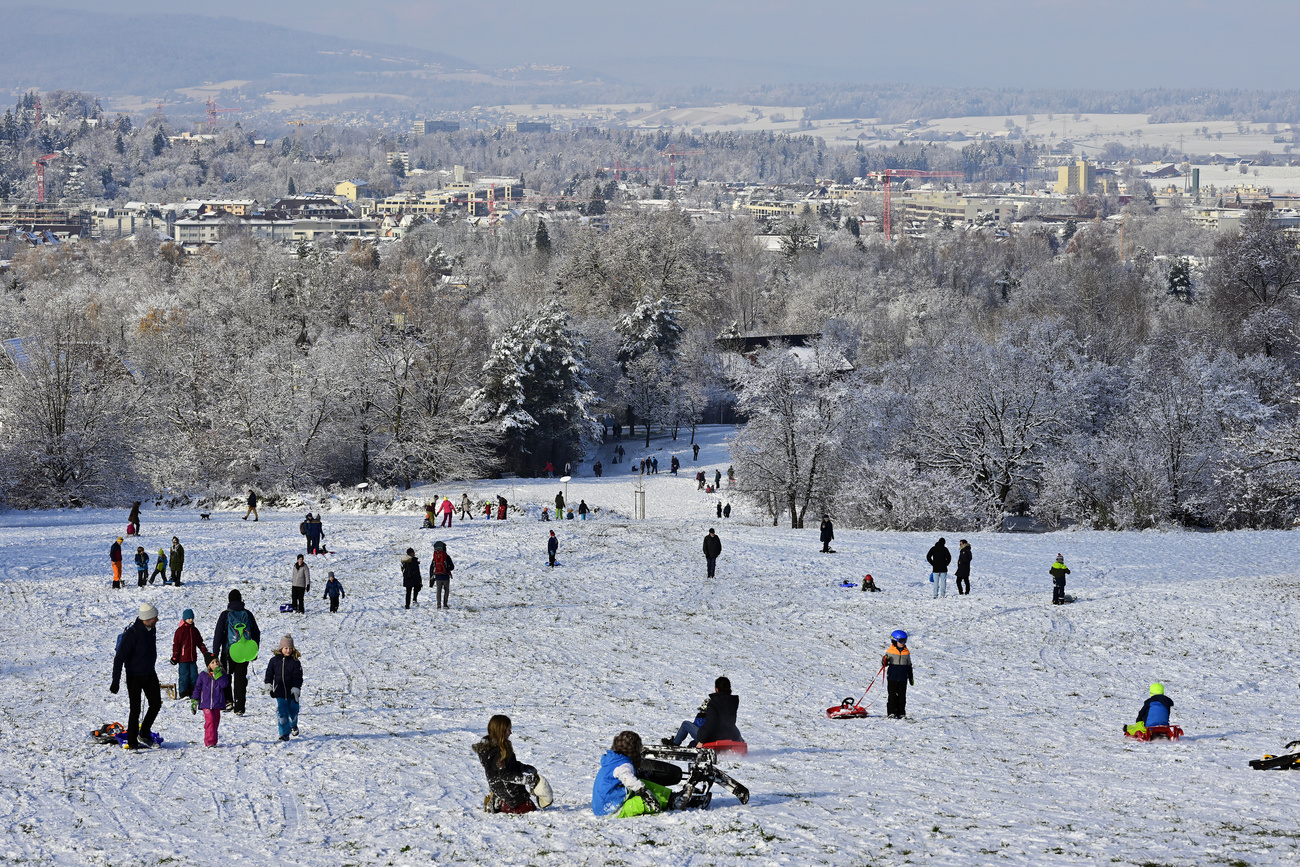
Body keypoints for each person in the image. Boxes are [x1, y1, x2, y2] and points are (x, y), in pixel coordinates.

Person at [111, 602, 162, 750]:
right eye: (154, 617)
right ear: (147, 619)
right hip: (134, 676)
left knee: (156, 704)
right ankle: (132, 743)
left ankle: (144, 733)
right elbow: (119, 657)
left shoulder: (151, 629)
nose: (157, 620)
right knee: (135, 709)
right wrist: (116, 680)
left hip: (149, 673)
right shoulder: (132, 634)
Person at [474, 714, 542, 814]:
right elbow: (505, 775)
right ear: (500, 731)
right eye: (508, 729)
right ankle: (501, 803)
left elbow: (509, 765)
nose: (510, 732)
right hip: (511, 795)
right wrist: (528, 780)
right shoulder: (497, 753)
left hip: (504, 790)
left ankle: (498, 800)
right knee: (530, 810)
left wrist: (524, 767)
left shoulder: (499, 748)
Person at [592, 730, 670, 817]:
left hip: (605, 802)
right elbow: (627, 778)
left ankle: (671, 798)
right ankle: (669, 801)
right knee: (651, 802)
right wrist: (642, 790)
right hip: (610, 810)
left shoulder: (614, 760)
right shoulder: (623, 765)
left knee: (642, 783)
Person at [213, 589, 261, 715]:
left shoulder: (225, 614)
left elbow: (218, 634)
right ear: (240, 599)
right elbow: (256, 632)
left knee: (226, 677)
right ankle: (239, 707)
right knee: (240, 679)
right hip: (244, 652)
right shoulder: (248, 614)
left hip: (228, 653)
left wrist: (215, 653)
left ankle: (228, 702)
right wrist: (254, 651)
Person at [664, 676, 743, 747]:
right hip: (726, 737)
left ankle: (674, 744)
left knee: (685, 724)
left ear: (716, 689)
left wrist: (702, 741)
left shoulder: (714, 703)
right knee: (692, 744)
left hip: (712, 738)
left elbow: (711, 723)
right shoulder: (733, 703)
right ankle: (692, 745)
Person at [264, 635, 303, 741]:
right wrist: (269, 685)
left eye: (290, 648)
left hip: (292, 693)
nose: (288, 650)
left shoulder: (295, 662)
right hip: (279, 691)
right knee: (282, 713)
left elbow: (298, 677)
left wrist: (296, 688)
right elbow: (269, 674)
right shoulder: (274, 661)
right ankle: (284, 734)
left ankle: (293, 725)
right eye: (286, 648)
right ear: (281, 648)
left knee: (293, 712)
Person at [191, 653, 229, 747]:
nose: (215, 663)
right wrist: (195, 700)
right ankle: (209, 742)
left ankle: (213, 740)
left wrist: (219, 675)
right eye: (213, 662)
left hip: (217, 703)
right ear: (208, 665)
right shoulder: (203, 675)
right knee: (211, 720)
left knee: (215, 721)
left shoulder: (222, 673)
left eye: (217, 661)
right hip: (206, 703)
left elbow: (224, 684)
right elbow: (198, 688)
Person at [170, 608, 208, 701]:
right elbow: (176, 645)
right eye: (189, 618)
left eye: (192, 618)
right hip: (183, 659)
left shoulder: (194, 630)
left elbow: (200, 642)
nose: (191, 620)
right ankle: (183, 693)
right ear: (184, 619)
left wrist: (205, 653)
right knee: (184, 676)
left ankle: (193, 692)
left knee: (194, 676)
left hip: (192, 658)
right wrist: (175, 657)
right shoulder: (180, 631)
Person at [882, 629, 914, 719]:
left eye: (905, 640)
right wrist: (885, 660)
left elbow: (909, 665)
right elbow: (885, 663)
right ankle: (891, 712)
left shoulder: (906, 652)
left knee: (902, 697)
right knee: (892, 696)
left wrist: (910, 677)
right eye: (901, 641)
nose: (903, 643)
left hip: (903, 678)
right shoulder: (890, 652)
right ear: (894, 641)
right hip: (892, 677)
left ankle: (901, 713)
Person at [431, 540, 454, 609]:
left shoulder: (435, 557)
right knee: (446, 590)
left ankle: (438, 605)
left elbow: (432, 567)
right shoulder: (446, 556)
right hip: (446, 576)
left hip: (438, 576)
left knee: (439, 591)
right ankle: (445, 604)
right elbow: (452, 567)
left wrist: (431, 576)